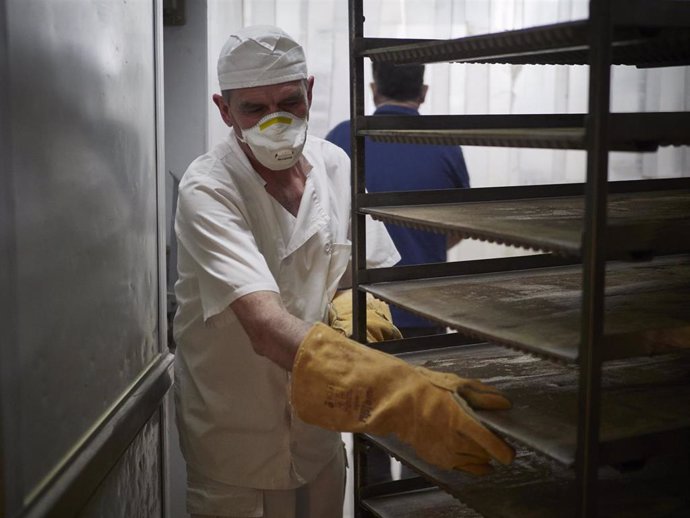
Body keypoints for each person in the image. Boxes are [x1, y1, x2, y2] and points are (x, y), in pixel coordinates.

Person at [173, 25, 513, 518]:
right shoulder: (208, 190)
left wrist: (357, 306)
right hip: (236, 453)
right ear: (225, 110)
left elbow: (356, 275)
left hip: (319, 443)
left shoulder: (334, 165)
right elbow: (266, 329)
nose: (275, 121)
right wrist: (400, 392)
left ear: (309, 91)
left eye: (289, 102)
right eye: (254, 109)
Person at [326, 61, 470, 338]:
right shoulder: (445, 142)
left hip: (356, 315)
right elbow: (461, 227)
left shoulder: (343, 137)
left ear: (373, 90)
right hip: (425, 312)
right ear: (424, 92)